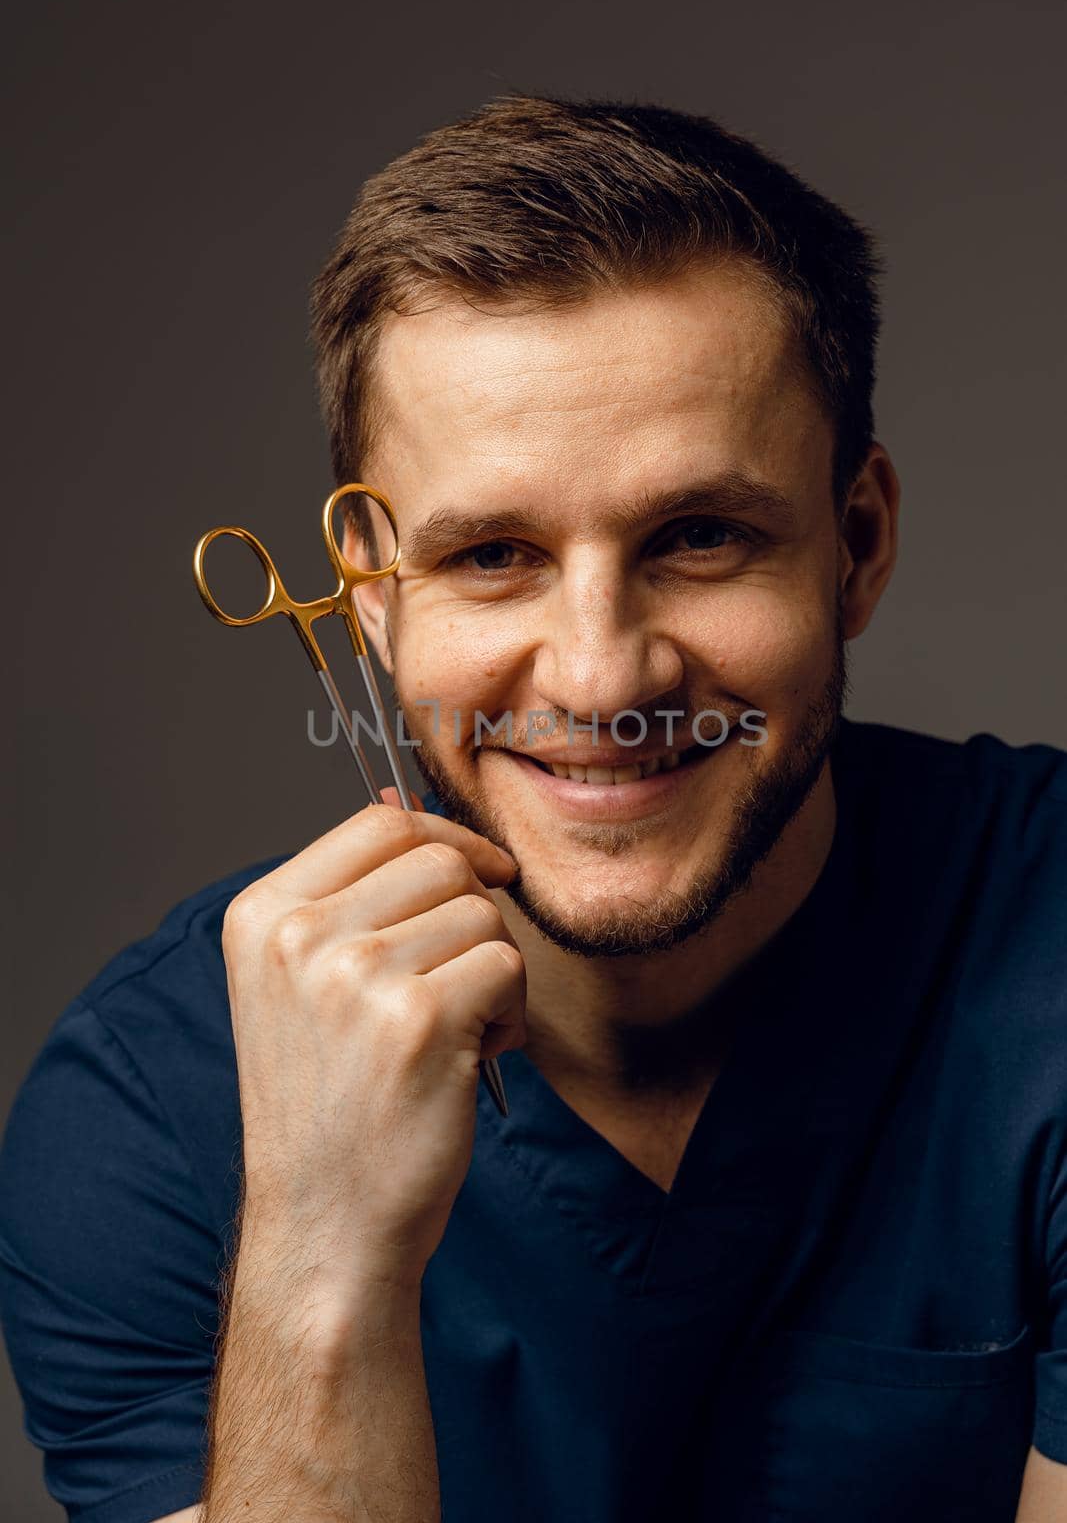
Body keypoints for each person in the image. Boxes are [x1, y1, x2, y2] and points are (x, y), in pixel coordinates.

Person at [3, 94, 1066, 1523]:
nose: (599, 670)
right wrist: (319, 1256)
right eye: (494, 554)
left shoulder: (1041, 943)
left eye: (700, 538)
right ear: (371, 597)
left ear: (856, 543)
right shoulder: (148, 1113)